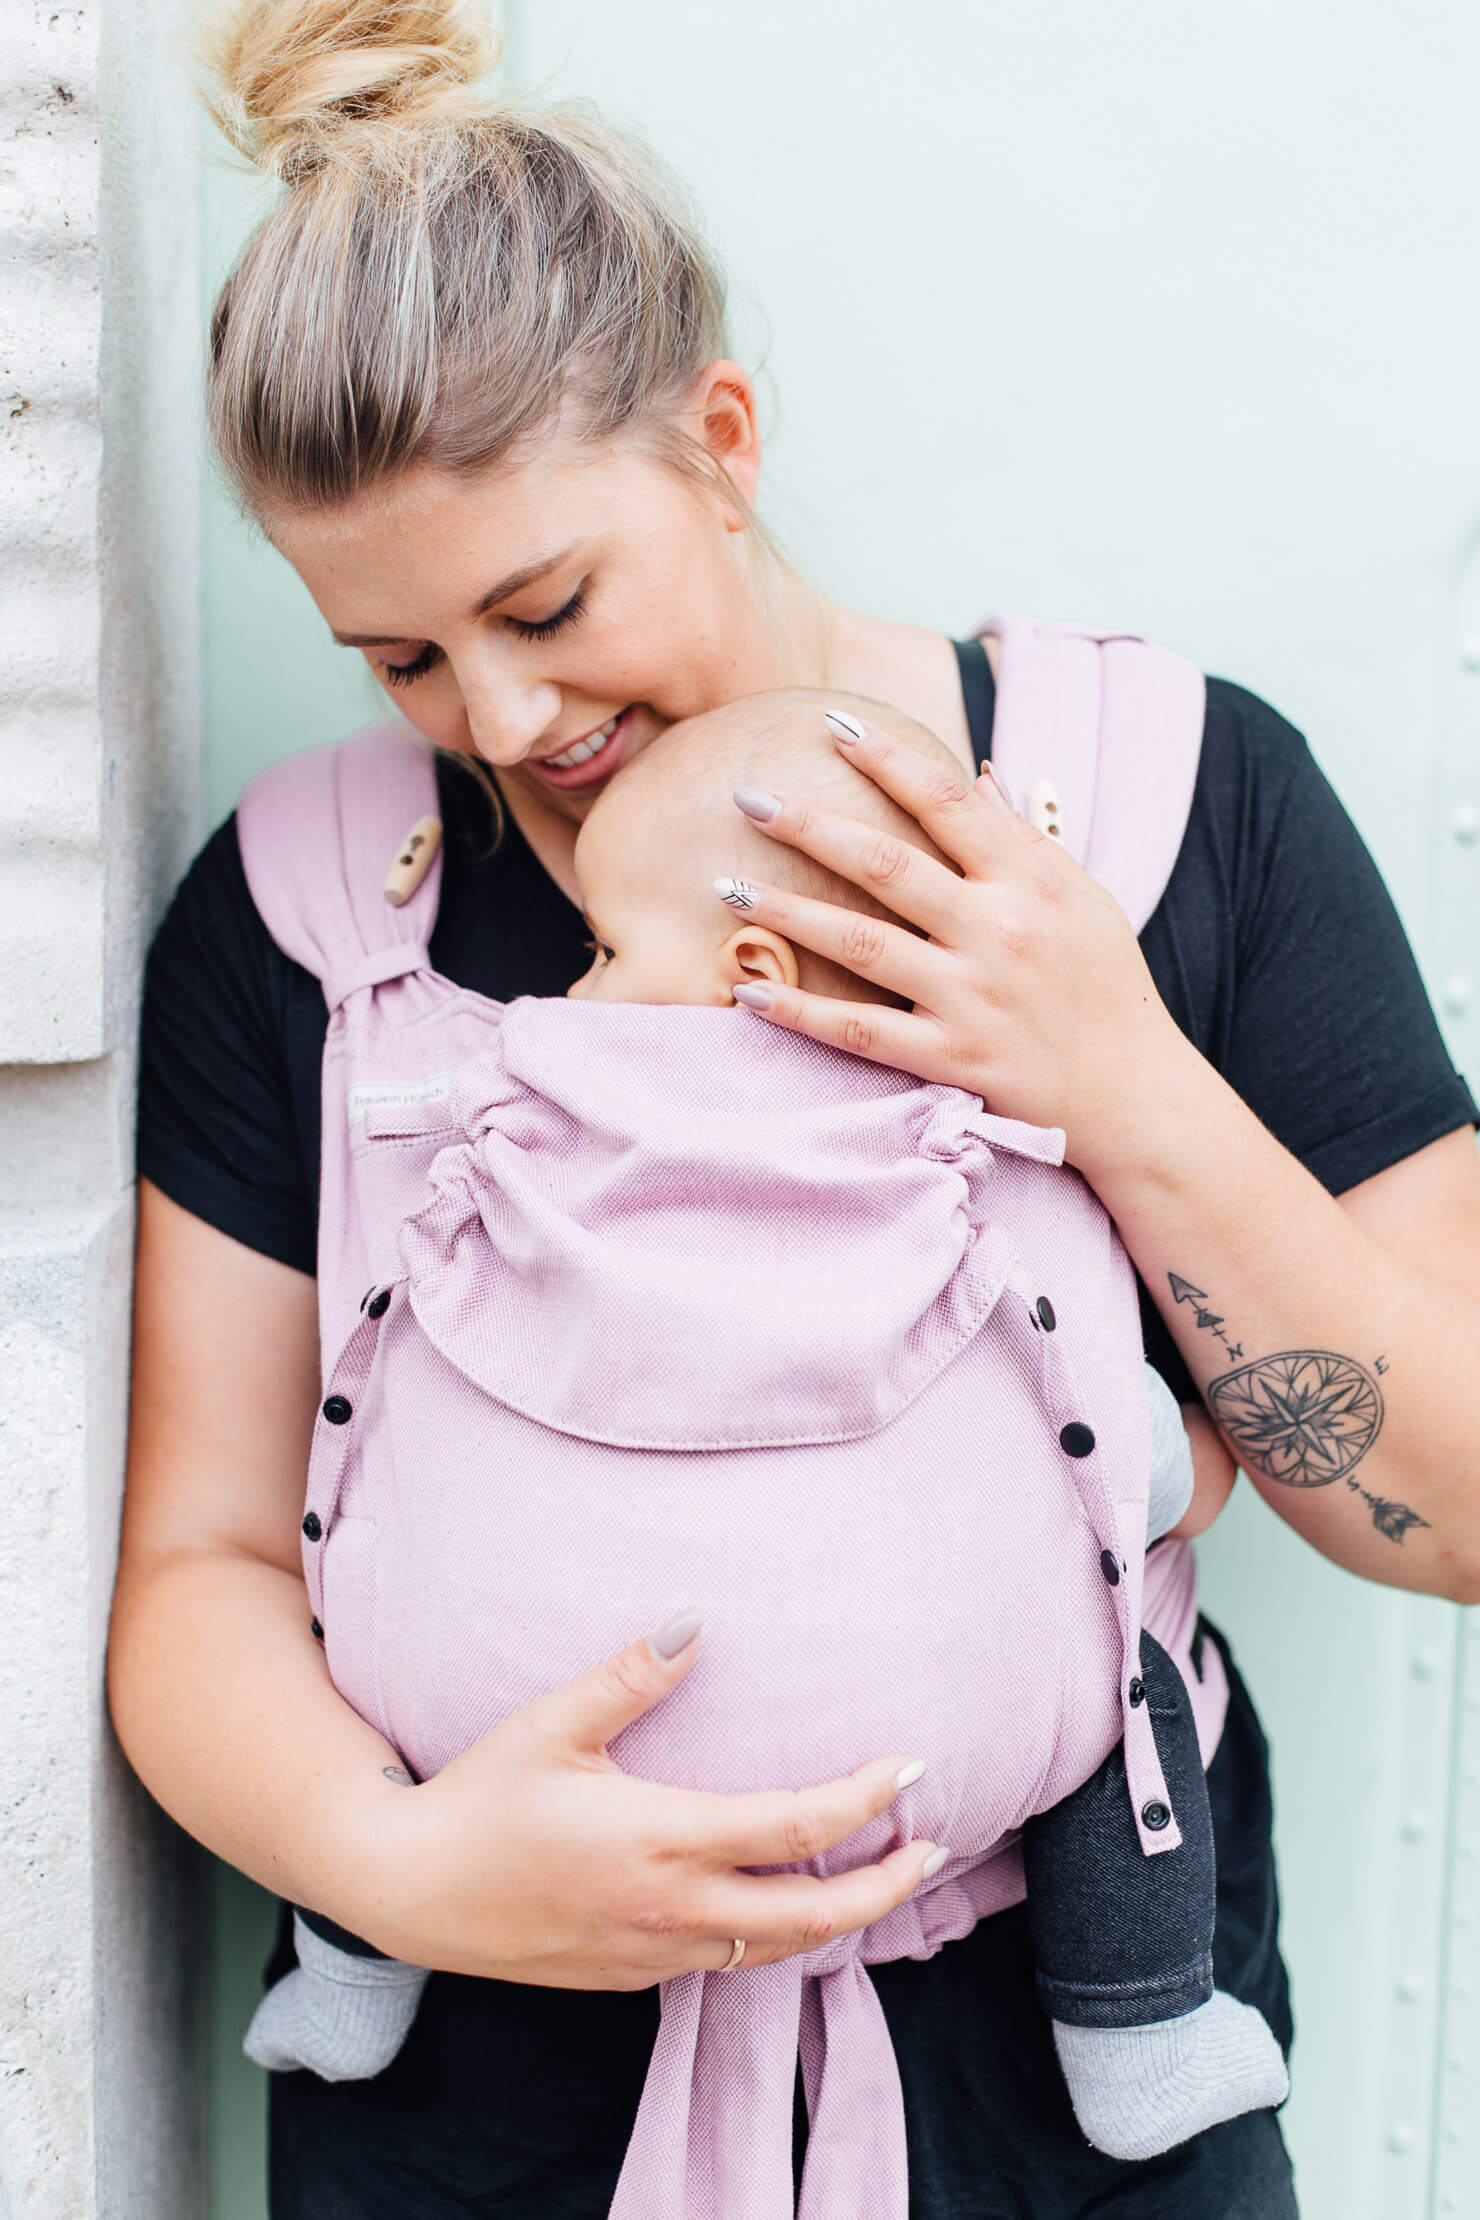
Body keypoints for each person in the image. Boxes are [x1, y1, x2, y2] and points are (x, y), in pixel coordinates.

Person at [108, 3, 1480, 2212]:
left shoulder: (1168, 810)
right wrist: (400, 1861)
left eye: (547, 603)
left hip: (1069, 2093)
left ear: (720, 438)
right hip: (477, 2102)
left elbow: (1452, 1500)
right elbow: (200, 1559)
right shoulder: (302, 922)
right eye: (403, 658)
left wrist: (1110, 1073)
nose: (511, 717)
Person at [237, 690, 1285, 2173]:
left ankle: (352, 1968)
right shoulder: (971, 1125)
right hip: (943, 1850)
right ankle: (1139, 2028)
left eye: (603, 950)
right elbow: (1073, 1376)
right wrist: (1180, 1467)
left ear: (745, 966)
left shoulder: (518, 1101)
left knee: (392, 1683)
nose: (577, 992)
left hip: (491, 1784)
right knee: (1120, 1704)